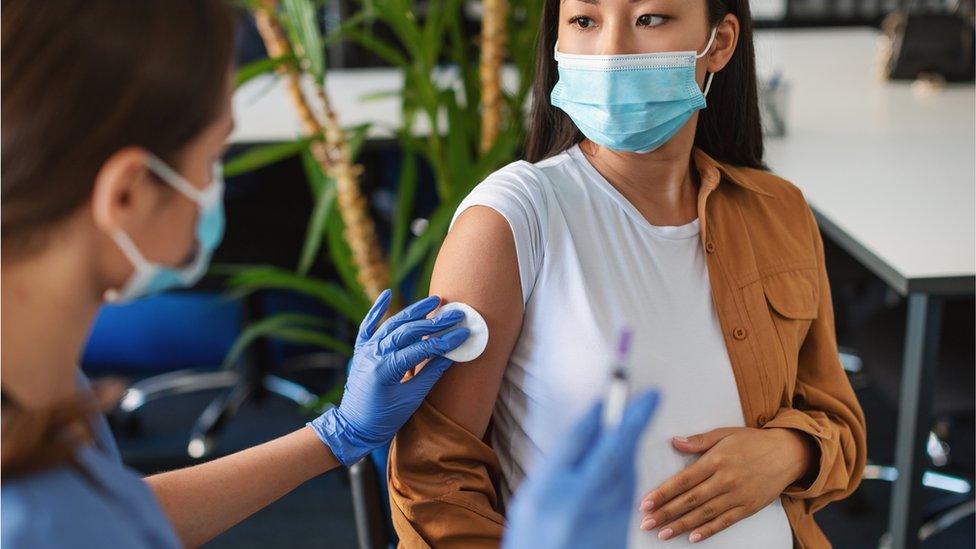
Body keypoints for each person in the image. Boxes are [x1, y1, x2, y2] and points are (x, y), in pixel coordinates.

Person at [0, 1, 662, 547]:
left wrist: (335, 434)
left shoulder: (43, 384)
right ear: (126, 195)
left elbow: (123, 519)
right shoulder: (29, 509)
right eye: (214, 156)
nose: (215, 188)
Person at [388, 0, 868, 547]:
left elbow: (841, 426)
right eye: (585, 22)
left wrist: (792, 451)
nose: (612, 52)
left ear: (721, 43)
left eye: (650, 19)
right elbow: (434, 481)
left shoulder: (777, 210)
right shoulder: (508, 222)